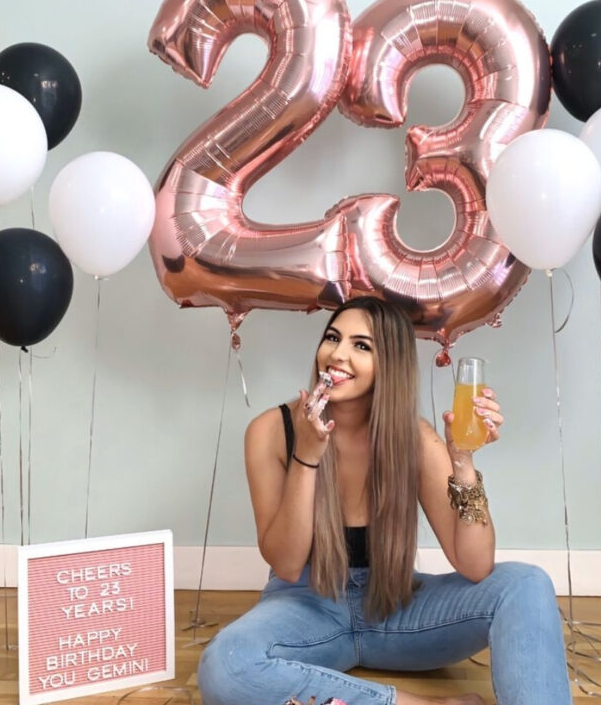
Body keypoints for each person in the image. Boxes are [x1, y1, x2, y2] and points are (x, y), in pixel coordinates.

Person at [198, 297, 572, 705]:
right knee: (228, 665)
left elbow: (475, 564)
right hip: (305, 607)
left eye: (362, 346)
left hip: (396, 610)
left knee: (526, 583)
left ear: (388, 364)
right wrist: (306, 457)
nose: (337, 354)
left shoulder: (413, 437)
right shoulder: (271, 430)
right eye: (332, 338)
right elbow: (286, 564)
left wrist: (462, 461)